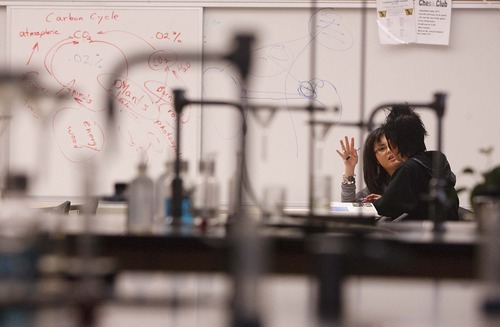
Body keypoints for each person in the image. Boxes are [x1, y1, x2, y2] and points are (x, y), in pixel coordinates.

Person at [370, 105, 460, 221]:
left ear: (392, 144)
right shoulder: (437, 161)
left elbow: (384, 208)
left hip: (425, 236)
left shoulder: (409, 169)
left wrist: (381, 202)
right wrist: (384, 199)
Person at [336, 127, 401, 202]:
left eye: (391, 144)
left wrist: (385, 204)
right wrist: (349, 167)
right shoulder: (377, 187)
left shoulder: (414, 175)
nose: (389, 150)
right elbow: (349, 205)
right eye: (381, 148)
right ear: (375, 159)